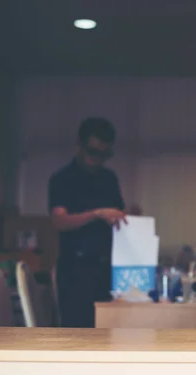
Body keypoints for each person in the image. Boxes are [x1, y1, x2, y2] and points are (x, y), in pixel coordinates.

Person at [48, 117, 127, 327]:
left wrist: (127, 216)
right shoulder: (62, 179)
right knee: (77, 335)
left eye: (105, 154)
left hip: (106, 270)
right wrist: (96, 214)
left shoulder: (109, 179)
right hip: (76, 272)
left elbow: (119, 214)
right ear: (79, 146)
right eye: (93, 152)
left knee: (109, 332)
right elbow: (59, 220)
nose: (98, 160)